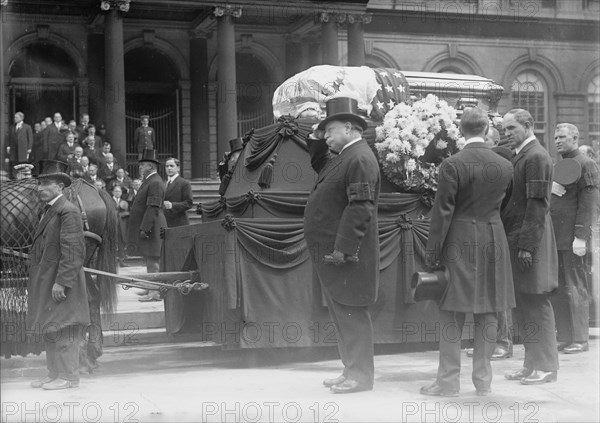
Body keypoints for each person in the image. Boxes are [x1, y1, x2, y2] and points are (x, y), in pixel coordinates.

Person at [421, 107, 515, 397]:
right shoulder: (505, 165)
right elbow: (506, 205)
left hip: (459, 241)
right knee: (488, 309)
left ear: (461, 131)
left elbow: (443, 212)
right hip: (493, 238)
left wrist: (433, 252)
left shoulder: (452, 163)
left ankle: (448, 382)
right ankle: (483, 382)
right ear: (487, 130)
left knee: (451, 311)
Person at [304, 97, 380, 394]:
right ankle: (350, 368)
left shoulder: (359, 158)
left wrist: (343, 250)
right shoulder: (345, 156)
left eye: (330, 130)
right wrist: (315, 139)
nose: (326, 136)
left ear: (349, 128)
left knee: (352, 313)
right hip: (334, 253)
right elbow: (321, 165)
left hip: (346, 255)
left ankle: (360, 377)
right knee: (341, 313)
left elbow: (360, 207)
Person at [501, 108, 559, 385]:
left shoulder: (535, 156)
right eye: (504, 129)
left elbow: (537, 205)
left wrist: (526, 246)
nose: (506, 134)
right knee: (526, 303)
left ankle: (546, 367)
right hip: (523, 238)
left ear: (528, 125)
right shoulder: (524, 155)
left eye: (511, 128)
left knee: (537, 302)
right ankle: (530, 364)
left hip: (531, 240)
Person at [27, 160, 89, 390]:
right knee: (51, 326)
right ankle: (54, 373)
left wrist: (62, 282)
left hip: (63, 283)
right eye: (39, 183)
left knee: (66, 328)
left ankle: (69, 377)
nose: (40, 188)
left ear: (59, 187)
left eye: (45, 183)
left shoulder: (68, 211)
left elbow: (73, 252)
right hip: (49, 281)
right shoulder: (50, 210)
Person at [550, 123, 600, 354]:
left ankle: (580, 338)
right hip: (558, 237)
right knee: (561, 287)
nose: (557, 140)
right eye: (556, 137)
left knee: (576, 286)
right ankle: (567, 335)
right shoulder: (561, 163)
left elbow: (589, 204)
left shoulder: (587, 164)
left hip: (573, 240)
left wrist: (580, 237)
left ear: (575, 138)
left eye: (562, 137)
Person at [127, 149, 166, 302]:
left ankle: (154, 292)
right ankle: (151, 286)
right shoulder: (151, 180)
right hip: (151, 224)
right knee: (149, 258)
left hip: (153, 226)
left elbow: (153, 207)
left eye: (142, 165)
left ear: (150, 166)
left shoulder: (155, 182)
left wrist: (145, 227)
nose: (140, 168)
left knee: (153, 259)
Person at [163, 157, 193, 227]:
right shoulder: (164, 183)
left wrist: (171, 205)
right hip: (165, 222)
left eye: (172, 166)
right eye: (167, 166)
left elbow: (189, 203)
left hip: (179, 223)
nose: (169, 168)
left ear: (178, 168)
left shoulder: (184, 183)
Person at [111, 185, 130, 267]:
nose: (117, 193)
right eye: (116, 191)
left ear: (121, 193)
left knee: (121, 243)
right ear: (112, 192)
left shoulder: (124, 202)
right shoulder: (109, 201)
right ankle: (112, 261)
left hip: (121, 225)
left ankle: (122, 260)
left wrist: (124, 214)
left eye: (119, 191)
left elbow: (129, 213)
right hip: (112, 224)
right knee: (112, 243)